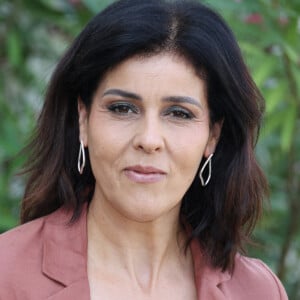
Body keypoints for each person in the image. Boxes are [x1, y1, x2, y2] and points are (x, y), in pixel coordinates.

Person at [0, 0, 288, 299]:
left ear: (213, 135)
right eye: (123, 108)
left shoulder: (257, 290)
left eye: (179, 113)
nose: (149, 139)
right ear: (83, 119)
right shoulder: (6, 273)